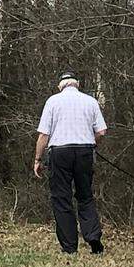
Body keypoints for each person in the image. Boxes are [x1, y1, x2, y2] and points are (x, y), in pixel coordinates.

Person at [33, 72, 107, 255]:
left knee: (61, 198)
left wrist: (37, 159)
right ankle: (93, 237)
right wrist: (92, 144)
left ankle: (69, 246)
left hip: (59, 153)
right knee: (85, 196)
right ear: (77, 84)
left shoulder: (52, 101)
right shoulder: (90, 101)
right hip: (84, 152)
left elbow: (43, 135)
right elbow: (102, 131)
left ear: (61, 86)